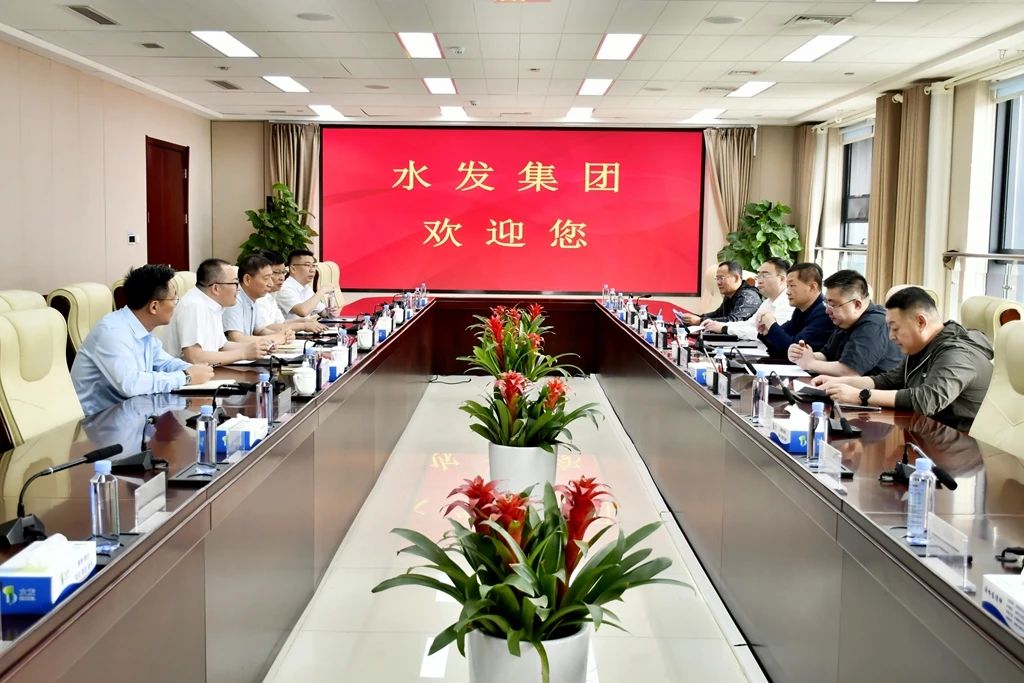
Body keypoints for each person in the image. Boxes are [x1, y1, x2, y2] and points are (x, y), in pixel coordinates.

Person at [815, 287, 993, 432]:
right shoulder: (923, 347)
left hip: (963, 447)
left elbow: (927, 400)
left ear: (921, 322)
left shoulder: (958, 354)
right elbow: (888, 380)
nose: (891, 336)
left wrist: (859, 395)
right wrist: (839, 382)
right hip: (928, 433)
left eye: (895, 328)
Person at [71, 264, 214, 415]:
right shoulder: (112, 332)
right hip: (99, 421)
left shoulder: (142, 329)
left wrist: (196, 370)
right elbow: (130, 384)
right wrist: (186, 377)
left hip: (131, 413)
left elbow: (165, 363)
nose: (175, 305)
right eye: (174, 299)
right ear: (154, 307)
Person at [789, 269, 902, 377]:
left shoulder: (874, 324)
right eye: (826, 303)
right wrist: (802, 355)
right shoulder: (846, 320)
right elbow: (827, 355)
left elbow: (849, 371)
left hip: (873, 389)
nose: (827, 311)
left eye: (833, 305)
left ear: (857, 305)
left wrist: (810, 363)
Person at [164, 258, 271, 364]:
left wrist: (258, 348)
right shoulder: (194, 306)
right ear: (216, 288)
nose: (238, 289)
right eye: (235, 283)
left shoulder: (213, 305)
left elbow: (222, 346)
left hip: (208, 370)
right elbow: (194, 357)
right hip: (187, 373)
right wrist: (243, 353)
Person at [702, 258, 793, 339]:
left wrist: (725, 328)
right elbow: (750, 324)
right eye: (759, 276)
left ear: (782, 279)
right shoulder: (768, 302)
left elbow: (767, 334)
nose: (759, 281)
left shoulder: (788, 303)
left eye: (764, 275)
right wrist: (720, 325)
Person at [757, 262, 834, 357]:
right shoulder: (800, 310)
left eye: (792, 285)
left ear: (812, 287)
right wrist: (767, 331)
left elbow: (793, 350)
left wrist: (771, 323)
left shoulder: (824, 313)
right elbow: (780, 342)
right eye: (787, 286)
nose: (787, 292)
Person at [223, 254, 296, 345]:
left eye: (271, 277)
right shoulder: (235, 299)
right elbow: (236, 339)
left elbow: (259, 330)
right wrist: (275, 338)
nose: (270, 284)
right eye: (266, 278)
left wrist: (283, 336)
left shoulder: (253, 298)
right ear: (247, 279)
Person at [257, 250, 327, 334]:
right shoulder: (259, 297)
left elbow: (281, 323)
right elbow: (264, 328)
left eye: (283, 272)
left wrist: (304, 322)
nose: (282, 278)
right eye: (276, 273)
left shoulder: (270, 296)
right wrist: (303, 326)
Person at [679, 261, 761, 325]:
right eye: (717, 278)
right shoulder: (730, 295)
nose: (718, 282)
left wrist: (700, 321)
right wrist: (695, 317)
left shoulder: (748, 296)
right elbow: (717, 314)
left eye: (721, 278)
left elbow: (735, 321)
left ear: (736, 278)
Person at [276, 249, 336, 320]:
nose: (312, 270)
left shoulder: (306, 288)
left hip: (306, 327)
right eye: (307, 265)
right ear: (293, 269)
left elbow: (322, 312)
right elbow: (302, 311)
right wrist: (321, 291)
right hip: (291, 327)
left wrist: (330, 312)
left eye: (313, 265)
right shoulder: (284, 288)